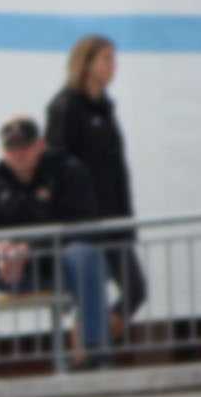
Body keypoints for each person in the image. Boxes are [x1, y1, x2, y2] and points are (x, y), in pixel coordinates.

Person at [0, 116, 110, 377]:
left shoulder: (68, 170)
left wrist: (30, 248)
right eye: (11, 149)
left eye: (25, 147)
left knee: (85, 255)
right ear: (3, 151)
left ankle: (94, 350)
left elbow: (83, 223)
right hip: (11, 270)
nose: (18, 154)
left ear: (41, 145)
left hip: (57, 266)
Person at [44, 33, 143, 323]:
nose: (113, 66)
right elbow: (56, 164)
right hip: (83, 221)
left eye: (114, 60)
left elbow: (115, 167)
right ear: (86, 64)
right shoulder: (65, 106)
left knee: (135, 289)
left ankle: (93, 339)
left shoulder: (106, 107)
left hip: (113, 217)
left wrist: (126, 218)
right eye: (107, 59)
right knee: (90, 291)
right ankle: (90, 349)